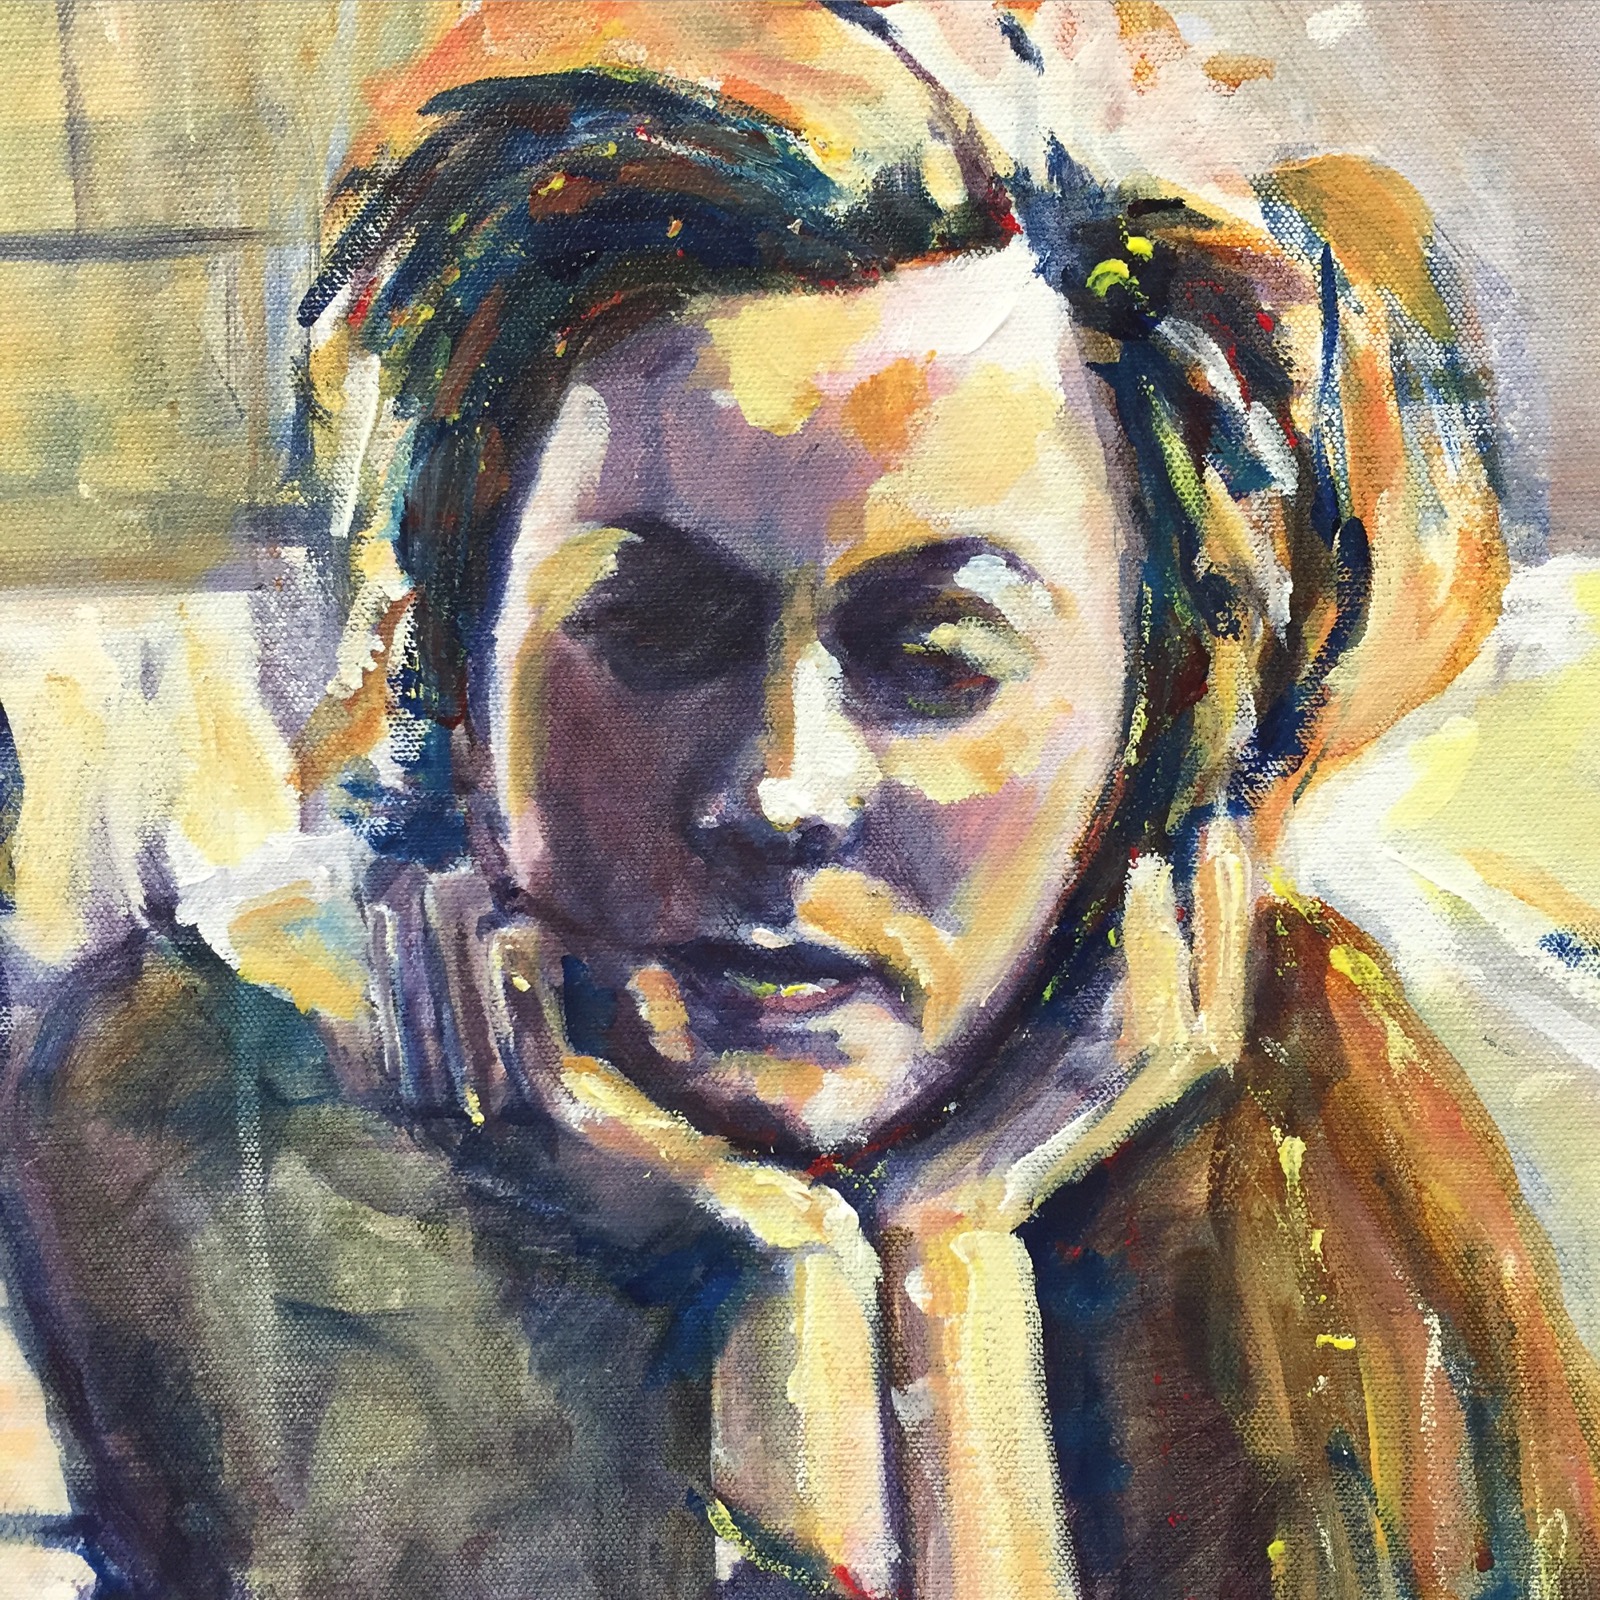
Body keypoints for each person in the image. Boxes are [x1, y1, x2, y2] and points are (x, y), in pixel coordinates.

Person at [3, 4, 1596, 1597]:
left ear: (1153, 711)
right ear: (456, 661)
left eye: (940, 657)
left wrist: (940, 1289)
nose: (781, 788)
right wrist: (775, 1319)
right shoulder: (173, 1133)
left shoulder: (1314, 1114)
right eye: (652, 630)